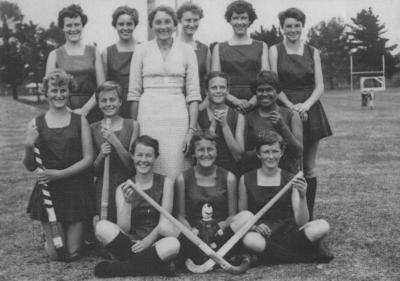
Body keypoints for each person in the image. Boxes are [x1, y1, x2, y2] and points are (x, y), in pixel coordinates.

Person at [24, 69, 94, 261]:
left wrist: (59, 174)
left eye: (63, 90)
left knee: (72, 254)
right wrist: (29, 146)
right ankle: (49, 235)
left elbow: (88, 159)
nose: (59, 95)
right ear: (46, 92)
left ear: (69, 91)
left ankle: (67, 234)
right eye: (54, 90)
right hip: (49, 191)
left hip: (75, 190)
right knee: (56, 254)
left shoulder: (80, 120)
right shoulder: (36, 123)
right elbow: (30, 166)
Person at [269, 8, 332, 218]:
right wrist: (290, 106)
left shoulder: (313, 51)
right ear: (282, 28)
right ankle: (287, 216)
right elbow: (273, 84)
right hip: (284, 109)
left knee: (308, 167)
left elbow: (320, 86)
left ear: (302, 26)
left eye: (297, 25)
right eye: (288, 26)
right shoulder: (275, 50)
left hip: (311, 110)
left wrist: (305, 105)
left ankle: (308, 216)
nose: (293, 30)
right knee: (286, 164)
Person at [238, 131, 333, 264]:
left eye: (275, 151)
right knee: (249, 240)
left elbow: (301, 222)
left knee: (323, 226)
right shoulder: (246, 179)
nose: (271, 156)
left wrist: (302, 196)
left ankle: (268, 257)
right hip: (262, 234)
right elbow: (242, 215)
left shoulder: (291, 179)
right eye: (266, 152)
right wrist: (254, 227)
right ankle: (307, 254)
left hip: (288, 233)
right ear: (258, 154)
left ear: (281, 153)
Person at [128, 5, 201, 179]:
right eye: (158, 22)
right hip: (149, 115)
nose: (163, 26)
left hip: (177, 116)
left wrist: (191, 130)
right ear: (151, 26)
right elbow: (134, 92)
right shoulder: (141, 50)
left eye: (168, 22)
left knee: (176, 165)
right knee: (150, 161)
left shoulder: (187, 50)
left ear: (175, 25)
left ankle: (176, 205)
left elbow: (193, 93)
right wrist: (134, 128)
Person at [94, 135, 180, 277]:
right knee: (101, 227)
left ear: (155, 157)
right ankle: (155, 266)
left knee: (173, 244)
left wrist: (147, 242)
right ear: (132, 156)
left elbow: (164, 221)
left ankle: (120, 268)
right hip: (130, 245)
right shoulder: (123, 187)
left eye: (148, 156)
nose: (143, 160)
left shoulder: (166, 183)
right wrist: (128, 203)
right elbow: (124, 228)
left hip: (155, 243)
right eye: (139, 155)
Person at [176, 130, 251, 265]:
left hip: (220, 233)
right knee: (167, 225)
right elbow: (180, 216)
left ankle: (221, 254)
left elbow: (232, 216)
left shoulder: (229, 177)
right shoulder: (183, 178)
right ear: (194, 153)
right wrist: (192, 232)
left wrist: (217, 228)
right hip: (195, 235)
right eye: (200, 150)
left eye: (210, 149)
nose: (206, 154)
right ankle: (217, 257)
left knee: (246, 216)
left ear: (217, 152)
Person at [46, 4, 105, 123]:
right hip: (62, 109)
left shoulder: (93, 51)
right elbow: (48, 89)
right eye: (68, 25)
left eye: (77, 24)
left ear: (82, 25)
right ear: (62, 27)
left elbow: (102, 87)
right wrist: (66, 111)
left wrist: (85, 109)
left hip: (92, 109)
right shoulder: (54, 55)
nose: (73, 29)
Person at [237, 70, 303, 175]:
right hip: (256, 175)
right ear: (255, 93)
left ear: (277, 91)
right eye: (260, 90)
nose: (264, 94)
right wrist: (263, 149)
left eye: (269, 90)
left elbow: (298, 153)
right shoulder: (248, 117)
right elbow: (242, 155)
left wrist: (283, 127)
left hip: (286, 174)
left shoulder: (291, 115)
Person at [91, 81, 139, 223]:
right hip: (103, 185)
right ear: (98, 104)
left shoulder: (132, 125)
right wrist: (101, 155)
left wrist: (115, 142)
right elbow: (92, 169)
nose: (108, 104)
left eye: (112, 99)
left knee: (125, 221)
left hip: (126, 183)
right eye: (103, 100)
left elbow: (132, 166)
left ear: (120, 102)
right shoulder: (92, 128)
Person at [212, 0, 269, 114]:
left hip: (257, 102)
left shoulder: (261, 46)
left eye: (243, 18)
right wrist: (236, 101)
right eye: (235, 18)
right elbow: (214, 82)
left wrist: (252, 102)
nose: (240, 22)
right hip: (228, 102)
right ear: (230, 20)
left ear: (250, 20)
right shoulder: (219, 47)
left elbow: (266, 80)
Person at [198, 71, 245, 175]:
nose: (218, 91)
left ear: (227, 90)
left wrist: (225, 126)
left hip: (230, 171)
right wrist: (213, 124)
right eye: (214, 88)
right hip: (205, 171)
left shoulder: (238, 115)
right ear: (206, 91)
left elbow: (238, 155)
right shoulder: (199, 115)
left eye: (222, 87)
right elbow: (197, 150)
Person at [102, 6, 140, 118]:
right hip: (116, 105)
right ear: (115, 25)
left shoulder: (143, 49)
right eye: (121, 24)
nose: (125, 28)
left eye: (129, 24)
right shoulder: (107, 52)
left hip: (139, 104)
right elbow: (103, 86)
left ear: (135, 25)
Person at [177, 2, 211, 102]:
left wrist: (203, 105)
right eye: (188, 20)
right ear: (179, 20)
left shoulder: (205, 49)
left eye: (195, 20)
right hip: (176, 100)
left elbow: (211, 82)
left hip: (200, 101)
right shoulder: (171, 46)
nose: (192, 24)